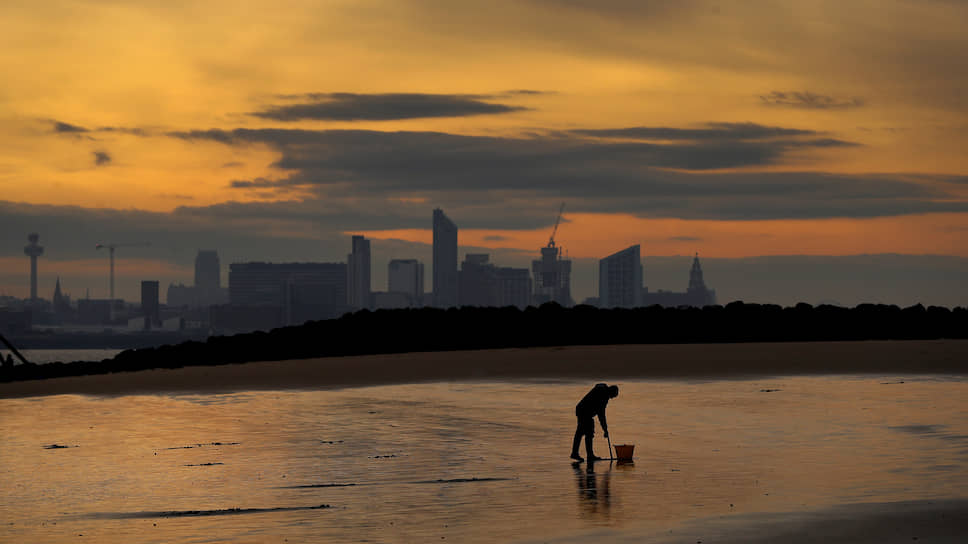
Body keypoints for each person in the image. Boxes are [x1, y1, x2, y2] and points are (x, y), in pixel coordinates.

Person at [570, 383, 619, 462]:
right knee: (586, 432)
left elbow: (601, 413)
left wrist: (605, 429)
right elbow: (601, 415)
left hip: (583, 411)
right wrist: (605, 429)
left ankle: (581, 454)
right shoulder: (603, 396)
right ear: (611, 392)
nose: (611, 398)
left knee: (584, 432)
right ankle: (586, 455)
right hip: (584, 411)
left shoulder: (603, 391)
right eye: (612, 396)